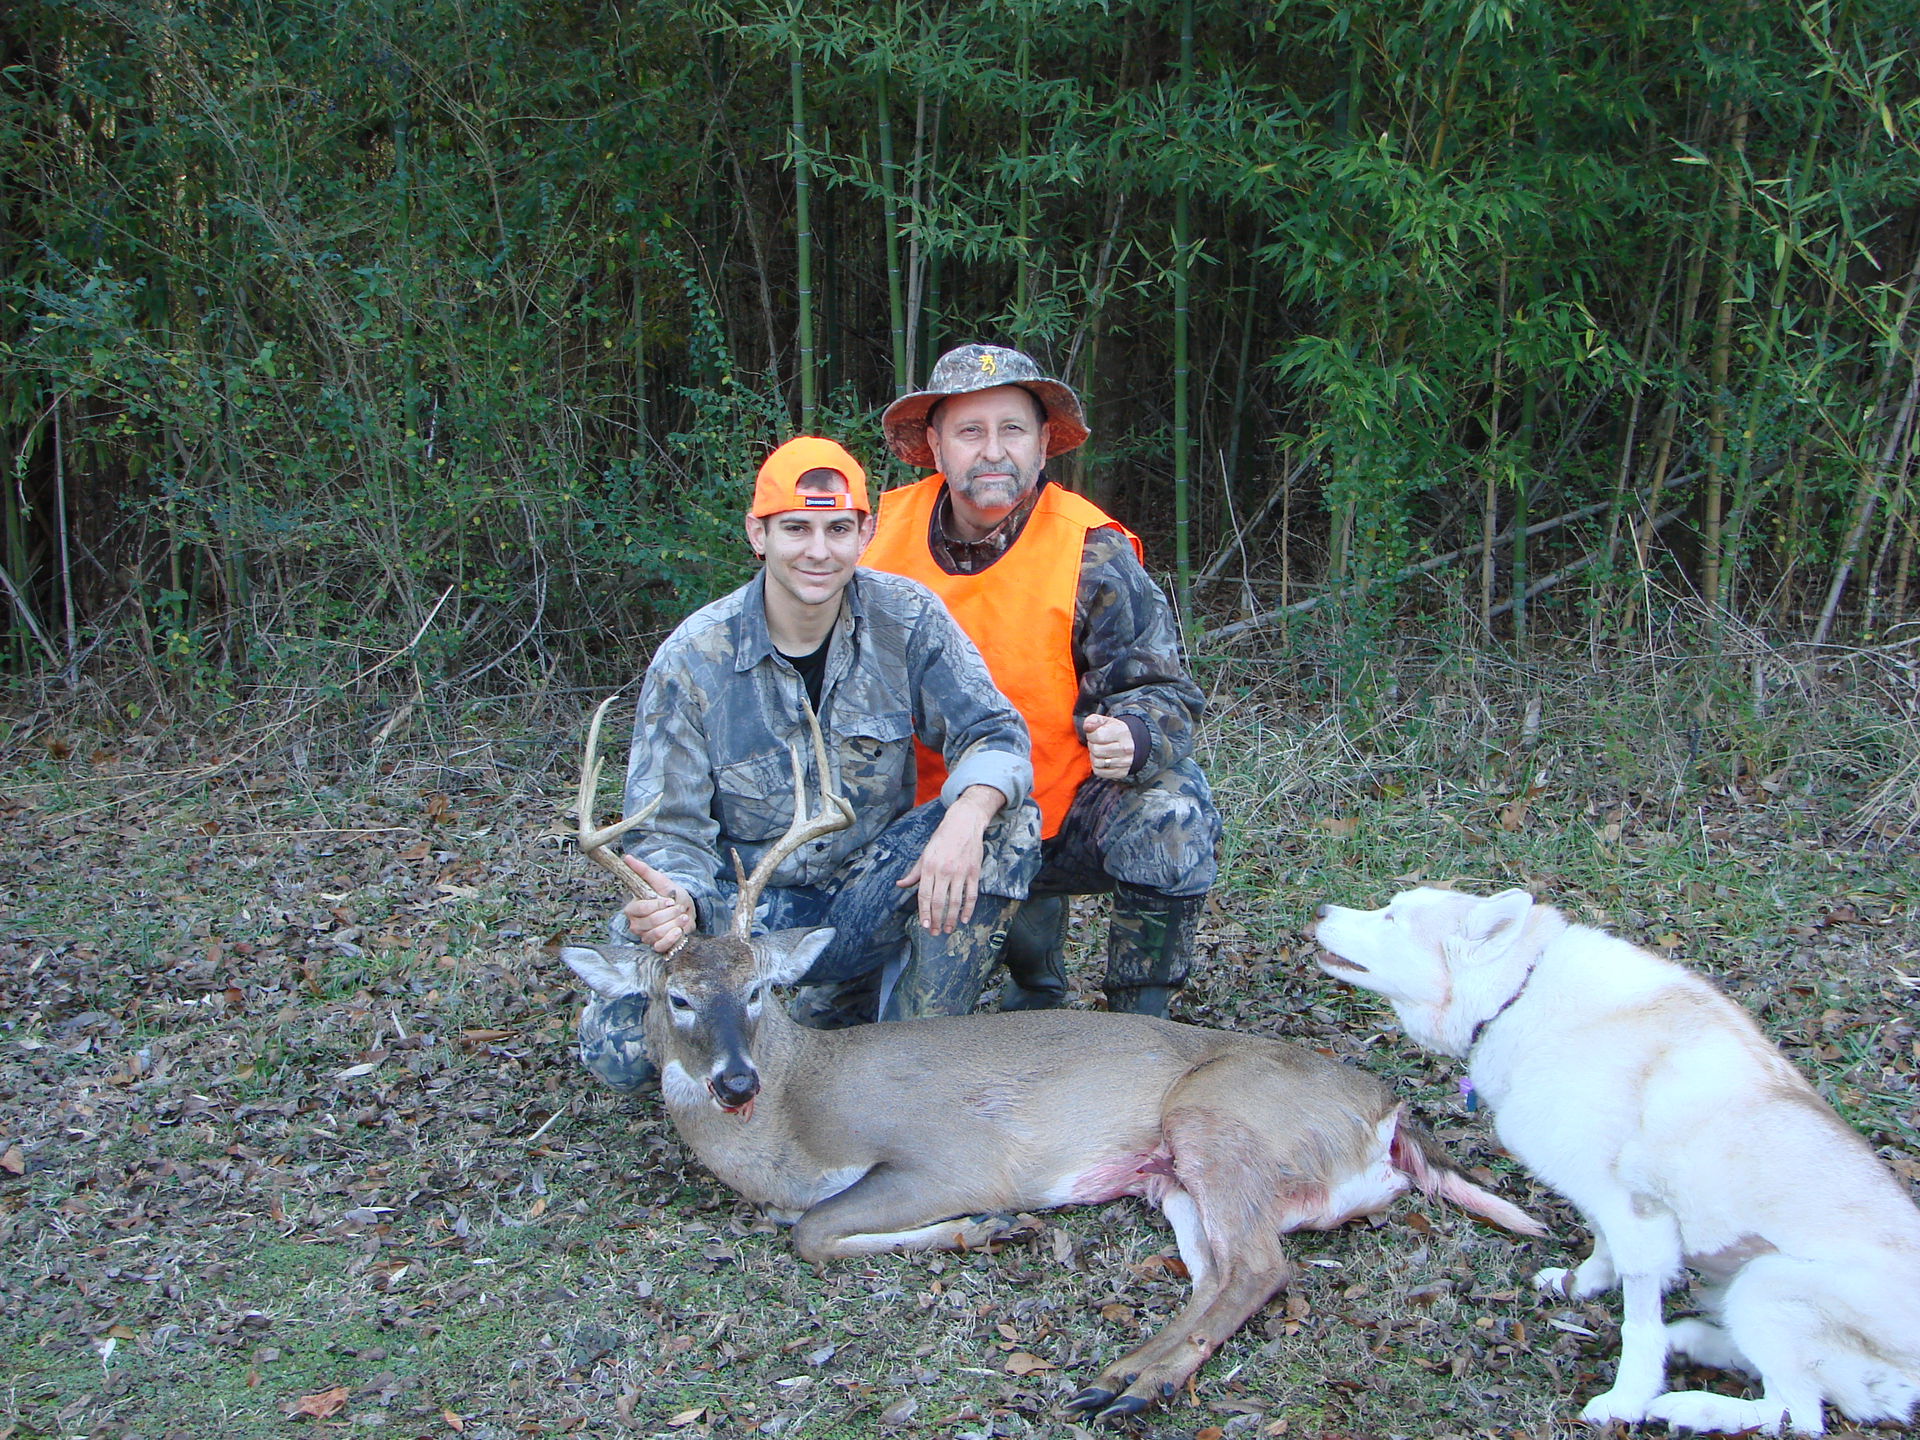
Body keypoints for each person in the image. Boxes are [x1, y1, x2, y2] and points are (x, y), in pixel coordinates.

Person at [576, 436, 1040, 1091]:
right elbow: (666, 828)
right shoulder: (693, 660)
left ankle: (913, 1059)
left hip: (869, 891)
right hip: (741, 919)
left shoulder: (906, 619)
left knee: (1004, 821)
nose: (818, 551)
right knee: (619, 1054)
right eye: (796, 528)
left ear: (865, 534)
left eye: (837, 529)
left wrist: (967, 816)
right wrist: (673, 897)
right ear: (757, 533)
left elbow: (995, 734)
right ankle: (821, 1010)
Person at [862, 344, 1220, 1019]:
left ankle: (1139, 1030)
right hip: (931, 823)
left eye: (1012, 430)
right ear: (935, 445)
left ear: (1042, 445)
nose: (991, 451)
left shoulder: (1091, 547)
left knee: (1175, 807)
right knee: (906, 1038)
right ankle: (1021, 972)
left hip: (1065, 811)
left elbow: (1166, 693)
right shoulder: (874, 542)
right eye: (970, 432)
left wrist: (1137, 735)